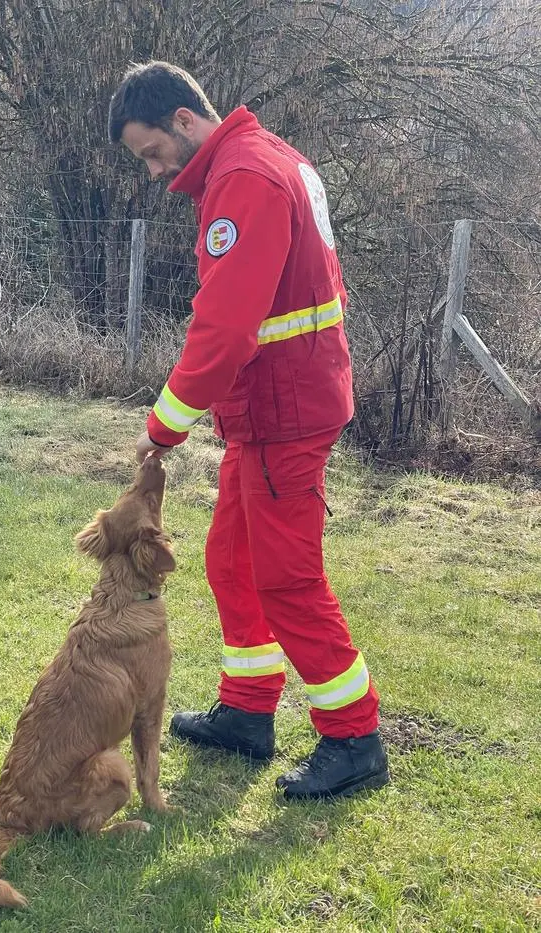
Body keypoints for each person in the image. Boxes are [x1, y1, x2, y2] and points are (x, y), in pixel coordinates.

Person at [108, 61, 389, 799]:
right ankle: (247, 712)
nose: (154, 168)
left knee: (287, 575)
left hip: (284, 412)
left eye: (150, 151)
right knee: (232, 558)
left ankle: (354, 735)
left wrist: (164, 426)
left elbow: (227, 326)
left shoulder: (244, 179)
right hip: (271, 409)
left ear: (181, 119)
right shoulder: (265, 158)